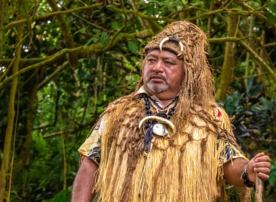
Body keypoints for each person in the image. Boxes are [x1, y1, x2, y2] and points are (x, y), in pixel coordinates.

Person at [71, 21, 271, 201]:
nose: (157, 68)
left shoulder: (209, 116)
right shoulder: (117, 113)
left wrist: (247, 171)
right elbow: (90, 165)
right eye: (151, 60)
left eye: (168, 62)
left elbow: (228, 163)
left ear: (187, 72)